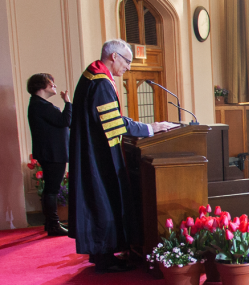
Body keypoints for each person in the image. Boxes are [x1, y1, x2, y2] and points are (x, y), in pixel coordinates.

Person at [69, 39, 179, 271]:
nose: (128, 67)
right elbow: (114, 124)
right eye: (127, 61)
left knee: (99, 200)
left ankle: (102, 254)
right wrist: (150, 128)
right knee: (102, 200)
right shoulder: (100, 83)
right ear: (113, 57)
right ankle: (105, 258)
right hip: (98, 155)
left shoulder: (93, 75)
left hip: (92, 150)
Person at [27, 73, 71, 236]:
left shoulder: (39, 104)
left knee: (50, 189)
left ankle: (50, 223)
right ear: (41, 85)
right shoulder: (41, 105)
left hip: (51, 152)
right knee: (52, 190)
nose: (54, 85)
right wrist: (67, 103)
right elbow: (64, 121)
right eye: (51, 83)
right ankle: (53, 225)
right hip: (53, 153)